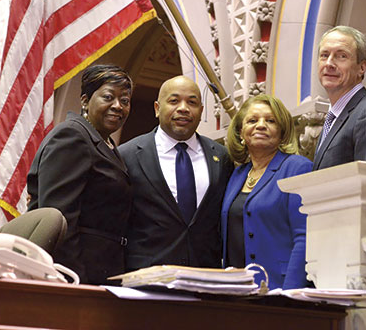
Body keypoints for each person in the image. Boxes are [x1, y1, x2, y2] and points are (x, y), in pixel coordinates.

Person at [27, 64, 133, 285]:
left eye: (124, 101)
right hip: (78, 276)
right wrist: (75, 281)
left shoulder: (106, 144)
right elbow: (60, 219)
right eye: (108, 97)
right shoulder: (72, 136)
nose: (117, 106)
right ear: (85, 100)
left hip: (105, 271)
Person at [119, 76, 233, 271]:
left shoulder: (221, 157)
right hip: (147, 280)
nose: (183, 108)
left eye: (192, 102)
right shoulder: (127, 155)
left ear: (201, 111)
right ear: (157, 108)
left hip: (206, 278)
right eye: (174, 101)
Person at [221, 94, 311, 290]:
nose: (261, 125)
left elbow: (304, 237)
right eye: (252, 120)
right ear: (241, 132)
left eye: (270, 121)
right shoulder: (237, 175)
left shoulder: (297, 168)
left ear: (281, 131)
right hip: (235, 290)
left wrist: (290, 294)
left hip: (278, 288)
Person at [313, 25, 366, 170]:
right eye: (324, 55)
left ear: (361, 68)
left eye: (341, 56)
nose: (329, 64)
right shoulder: (333, 118)